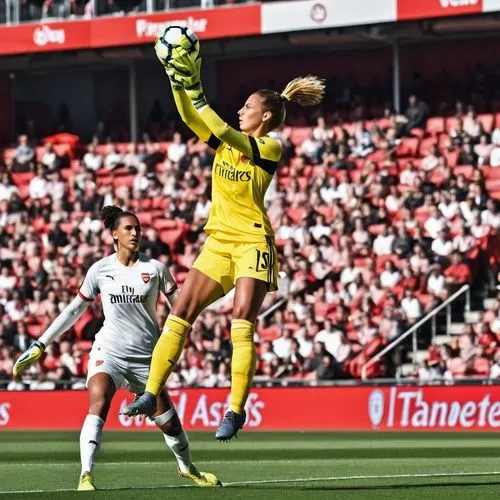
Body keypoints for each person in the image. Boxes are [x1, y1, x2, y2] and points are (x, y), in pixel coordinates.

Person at [123, 38, 325, 441]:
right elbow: (193, 120)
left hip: (253, 243)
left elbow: (216, 125)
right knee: (180, 312)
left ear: (265, 116)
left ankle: (235, 409)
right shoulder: (229, 144)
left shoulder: (270, 146)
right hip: (218, 242)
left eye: (247, 107)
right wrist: (176, 81)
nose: (239, 110)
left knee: (241, 322)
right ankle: (151, 392)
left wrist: (195, 86)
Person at [12, 206, 220, 491]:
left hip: (148, 359)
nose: (135, 233)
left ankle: (188, 468)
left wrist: (194, 325)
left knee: (170, 425)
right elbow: (75, 310)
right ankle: (86, 475)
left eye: (138, 229)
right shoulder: (100, 270)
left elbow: (181, 309)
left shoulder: (156, 269)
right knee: (99, 401)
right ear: (114, 235)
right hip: (109, 353)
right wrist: (41, 343)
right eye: (128, 229)